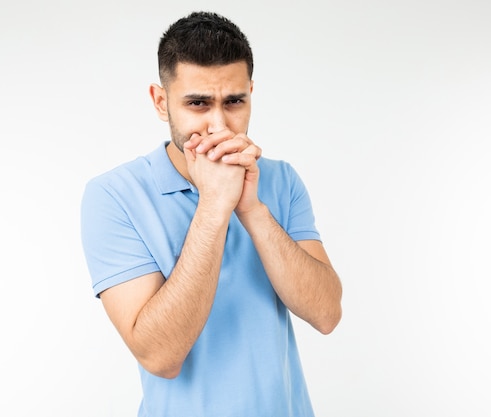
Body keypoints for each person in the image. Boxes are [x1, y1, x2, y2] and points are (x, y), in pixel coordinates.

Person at [80, 10, 342, 417]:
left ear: (251, 92)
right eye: (198, 103)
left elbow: (326, 315)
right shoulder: (113, 195)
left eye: (234, 101)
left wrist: (251, 207)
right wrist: (214, 205)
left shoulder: (281, 180)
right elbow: (160, 355)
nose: (218, 124)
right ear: (161, 101)